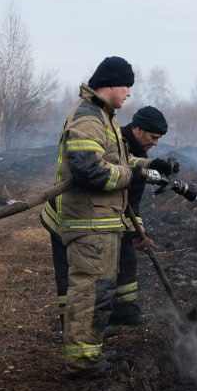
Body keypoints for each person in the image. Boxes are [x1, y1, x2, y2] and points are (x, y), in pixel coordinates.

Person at [40, 57, 164, 379]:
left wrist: (147, 167)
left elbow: (115, 157)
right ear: (111, 84)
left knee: (98, 292)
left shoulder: (102, 116)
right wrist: (131, 174)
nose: (129, 95)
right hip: (88, 223)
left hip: (99, 222)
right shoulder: (88, 118)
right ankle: (83, 363)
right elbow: (89, 170)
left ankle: (89, 352)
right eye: (127, 87)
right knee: (89, 293)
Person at [48, 105, 179, 328]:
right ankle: (72, 324)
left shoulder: (134, 148)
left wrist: (137, 231)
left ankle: (122, 312)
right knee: (73, 274)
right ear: (138, 129)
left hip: (99, 214)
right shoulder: (117, 140)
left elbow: (131, 200)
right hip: (68, 216)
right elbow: (117, 184)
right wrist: (136, 232)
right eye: (153, 137)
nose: (156, 143)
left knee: (125, 255)